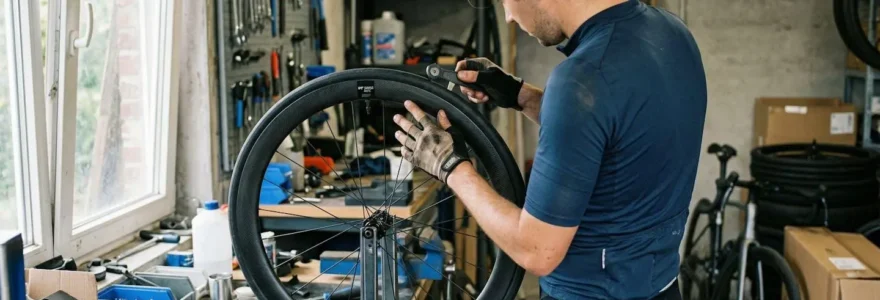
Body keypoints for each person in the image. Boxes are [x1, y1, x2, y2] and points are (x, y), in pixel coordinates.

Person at [392, 0, 706, 298]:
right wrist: (518, 94)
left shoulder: (582, 78)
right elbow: (614, 128)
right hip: (662, 285)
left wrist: (449, 165)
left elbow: (537, 251)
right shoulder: (672, 32)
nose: (509, 17)